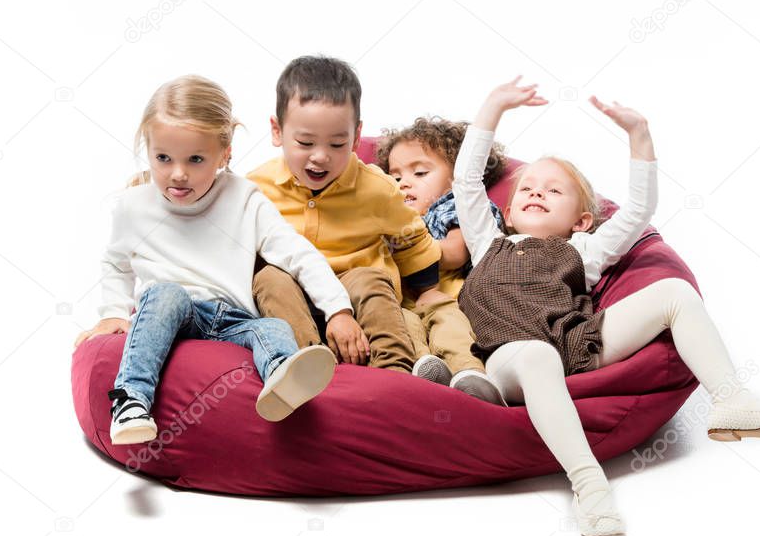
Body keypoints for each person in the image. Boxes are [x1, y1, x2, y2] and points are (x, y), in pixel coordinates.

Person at [453, 77, 760, 536]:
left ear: (581, 221)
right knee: (537, 356)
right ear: (509, 211)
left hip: (578, 343)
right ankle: (589, 487)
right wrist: (492, 109)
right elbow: (466, 181)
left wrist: (639, 135)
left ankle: (730, 399)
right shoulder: (487, 241)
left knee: (674, 292)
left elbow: (639, 210)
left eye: (554, 192)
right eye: (528, 189)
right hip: (511, 358)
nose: (537, 192)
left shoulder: (585, 250)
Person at [74, 75, 364, 444]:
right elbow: (116, 264)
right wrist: (112, 313)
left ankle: (283, 380)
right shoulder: (134, 206)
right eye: (163, 158)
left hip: (230, 319)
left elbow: (297, 253)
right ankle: (131, 399)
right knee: (166, 295)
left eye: (196, 159)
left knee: (273, 328)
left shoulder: (244, 198)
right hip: (168, 314)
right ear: (148, 149)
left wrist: (338, 309)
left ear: (224, 153)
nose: (178, 173)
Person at [249, 56, 445, 376]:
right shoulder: (256, 188)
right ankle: (304, 366)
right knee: (269, 278)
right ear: (277, 131)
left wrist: (426, 289)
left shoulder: (378, 189)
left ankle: (393, 373)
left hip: (357, 294)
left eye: (338, 143)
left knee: (370, 279)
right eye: (305, 142)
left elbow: (412, 239)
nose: (320, 156)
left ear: (356, 137)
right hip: (294, 297)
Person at [376, 117, 508, 403]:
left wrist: (407, 243)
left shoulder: (456, 205)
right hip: (401, 300)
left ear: (456, 177)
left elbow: (453, 254)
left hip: (445, 296)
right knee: (399, 325)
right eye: (395, 177)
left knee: (452, 328)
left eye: (420, 173)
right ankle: (423, 369)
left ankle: (471, 375)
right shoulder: (385, 215)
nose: (403, 184)